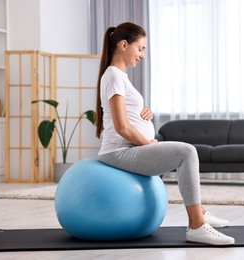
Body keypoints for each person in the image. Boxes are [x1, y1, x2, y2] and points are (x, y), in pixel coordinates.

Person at [95, 22, 235, 246]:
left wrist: (144, 113)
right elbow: (122, 128)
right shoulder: (113, 76)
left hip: (129, 148)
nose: (142, 55)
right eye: (140, 49)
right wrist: (148, 143)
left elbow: (125, 117)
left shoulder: (118, 76)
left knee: (185, 152)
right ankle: (197, 225)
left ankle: (200, 211)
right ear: (123, 45)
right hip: (119, 152)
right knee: (187, 152)